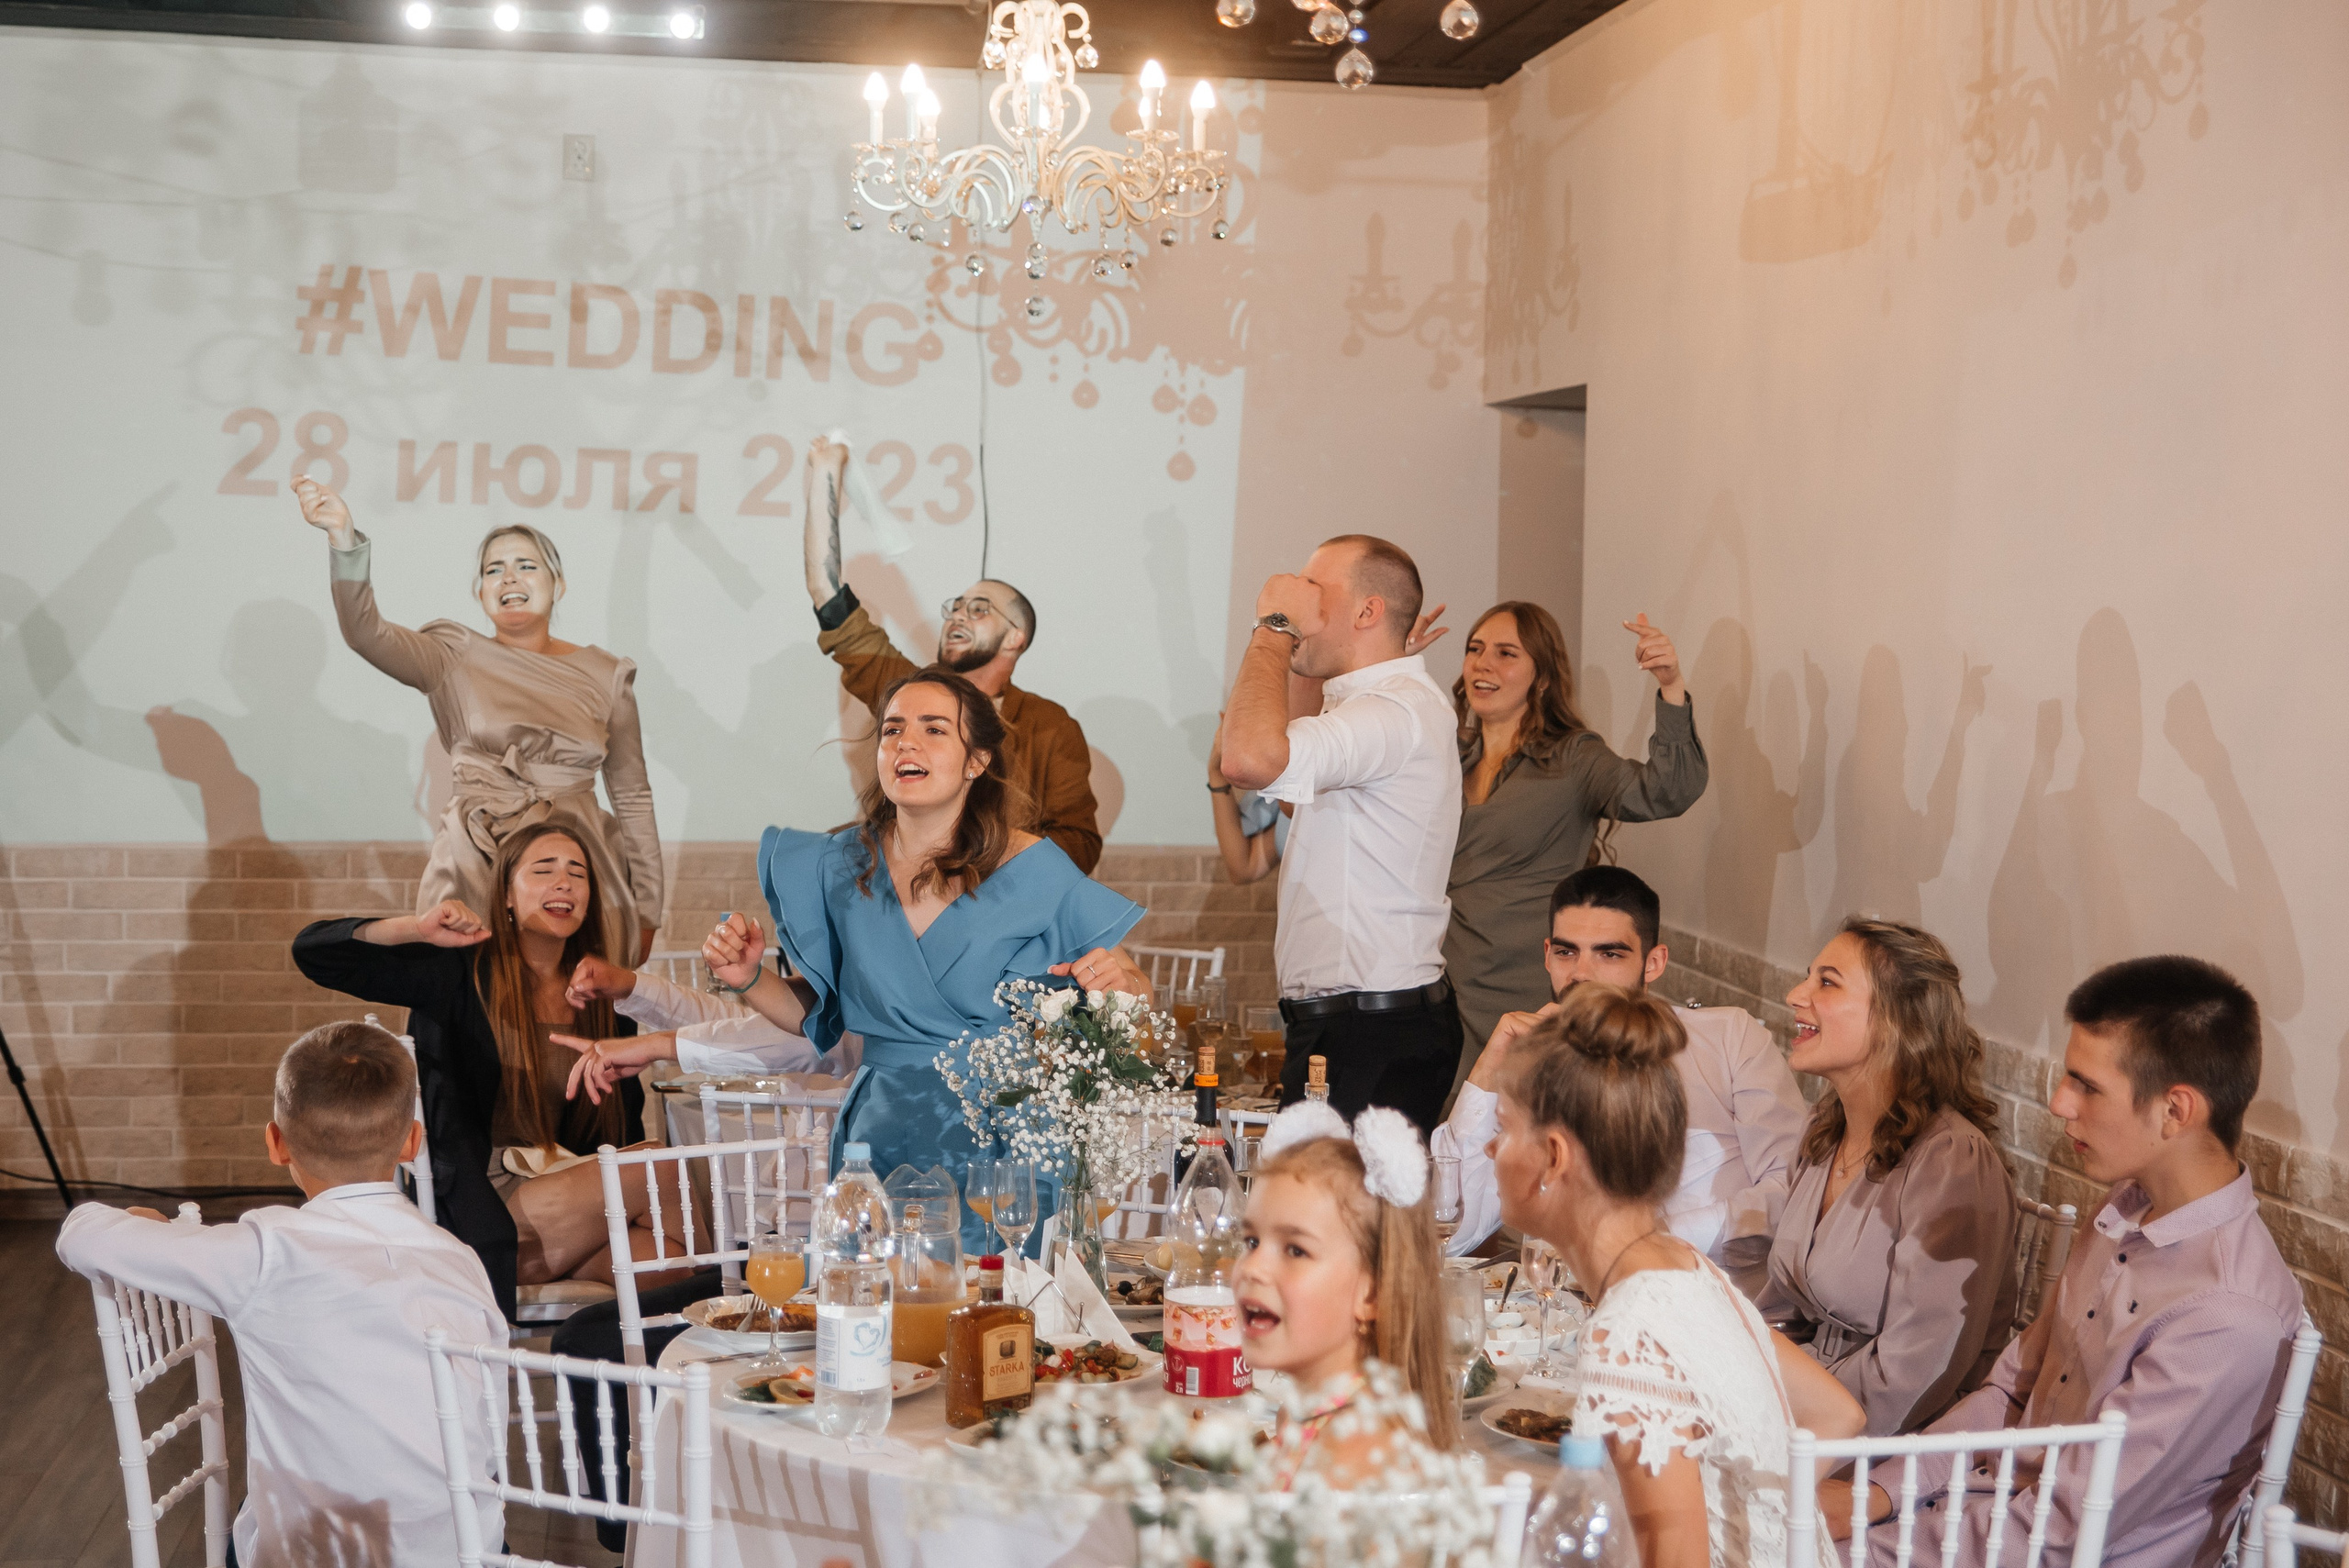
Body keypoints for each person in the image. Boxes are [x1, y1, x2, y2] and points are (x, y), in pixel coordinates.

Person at [1823, 956, 2305, 1568]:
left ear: (2176, 1110)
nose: (2059, 1102)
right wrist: (1878, 1492)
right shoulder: (2124, 1208)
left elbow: (2059, 1529)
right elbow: (2013, 1386)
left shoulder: (2229, 1314)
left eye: (2087, 1085)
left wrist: (1854, 1550)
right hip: (1977, 1516)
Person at [685, 669, 1150, 1248]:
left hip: (1003, 1144)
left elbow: (1132, 996)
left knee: (996, 1325)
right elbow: (817, 1016)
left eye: (934, 730)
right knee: (874, 1319)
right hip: (884, 1135)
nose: (906, 743)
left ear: (976, 761)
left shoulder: (1034, 867)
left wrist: (1122, 983)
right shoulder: (840, 864)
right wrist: (748, 977)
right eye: (892, 730)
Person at [55, 1021, 507, 1566]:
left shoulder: (263, 1252)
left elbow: (79, 1235)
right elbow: (490, 1431)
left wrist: (150, 1226)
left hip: (318, 1554)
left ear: (275, 1143)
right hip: (464, 1550)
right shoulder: (460, 1259)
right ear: (413, 1141)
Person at [1491, 984, 1864, 1567]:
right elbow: (1837, 1414)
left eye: (1503, 1126)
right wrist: (1758, 1523)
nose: (1492, 1147)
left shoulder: (1628, 1333)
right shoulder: (1689, 1269)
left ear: (1554, 1157)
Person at [292, 817, 691, 1318]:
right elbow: (315, 953)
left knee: (668, 1263)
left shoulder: (602, 993)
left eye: (578, 873)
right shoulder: (460, 972)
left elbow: (618, 1126)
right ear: (505, 893)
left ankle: (611, 1382)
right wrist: (416, 928)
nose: (563, 882)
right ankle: (742, 1330)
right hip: (486, 1202)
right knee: (662, 1165)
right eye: (544, 870)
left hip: (574, 1199)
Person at [293, 477, 664, 962]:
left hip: (576, 866)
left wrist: (650, 908)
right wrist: (343, 540)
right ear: (480, 591)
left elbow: (632, 795)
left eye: (526, 566)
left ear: (559, 585)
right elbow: (366, 634)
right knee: (466, 999)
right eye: (495, 570)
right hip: (475, 856)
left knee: (579, 1007)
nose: (510, 579)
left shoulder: (607, 674)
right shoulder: (451, 653)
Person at [1437, 866, 1808, 1296]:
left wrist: (1643, 1246)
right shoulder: (1532, 1065)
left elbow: (1792, 1194)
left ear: (1654, 962)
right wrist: (1487, 1071)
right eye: (1566, 952)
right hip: (1559, 1315)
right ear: (1546, 954)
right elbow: (1451, 1234)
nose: (1582, 973)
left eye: (1609, 954)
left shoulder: (1727, 1039)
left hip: (1704, 1296)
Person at [1218, 535, 1463, 1136]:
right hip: (1353, 1022)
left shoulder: (1390, 713)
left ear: (1367, 611)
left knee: (1331, 1224)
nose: (1302, 604)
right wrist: (1302, 648)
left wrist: (1274, 623)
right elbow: (1300, 800)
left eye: (1313, 592)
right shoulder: (1366, 705)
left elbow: (1247, 758)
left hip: (1373, 1029)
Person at [1759, 918, 2020, 1435]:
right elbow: (1780, 1311)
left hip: (1895, 1447)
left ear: (1898, 1020)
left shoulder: (1953, 1161)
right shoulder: (1824, 1129)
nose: (1796, 995)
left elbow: (1921, 1370)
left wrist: (1799, 1434)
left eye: (1827, 982)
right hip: (1801, 1408)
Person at [800, 437, 1102, 872]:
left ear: (1016, 637)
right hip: (901, 899)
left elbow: (1079, 846)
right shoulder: (909, 692)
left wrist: (973, 855)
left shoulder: (1049, 726)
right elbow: (827, 596)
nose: (958, 615)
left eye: (979, 610)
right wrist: (825, 472)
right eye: (955, 607)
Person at [1444, 602, 1707, 1084]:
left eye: (1506, 653)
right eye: (1475, 649)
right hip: (1446, 988)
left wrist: (1670, 685)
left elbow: (1667, 790)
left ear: (1541, 677)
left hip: (1528, 987)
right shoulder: (1445, 754)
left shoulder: (1574, 759)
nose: (1483, 663)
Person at [1237, 1101, 1457, 1485]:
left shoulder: (1356, 1461)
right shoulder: (1310, 1415)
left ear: (1372, 1294)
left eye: (1295, 1250)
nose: (1253, 1267)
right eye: (1252, 1241)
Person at [548, 953, 859, 1102]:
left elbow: (804, 1040)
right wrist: (629, 986)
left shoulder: (874, 1008)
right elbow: (733, 1026)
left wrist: (657, 1046)